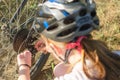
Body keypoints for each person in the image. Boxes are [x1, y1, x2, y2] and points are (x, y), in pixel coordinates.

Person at [17, 0, 120, 80]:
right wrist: (49, 44)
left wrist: (24, 67)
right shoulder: (113, 56)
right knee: (59, 70)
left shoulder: (78, 77)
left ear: (55, 48)